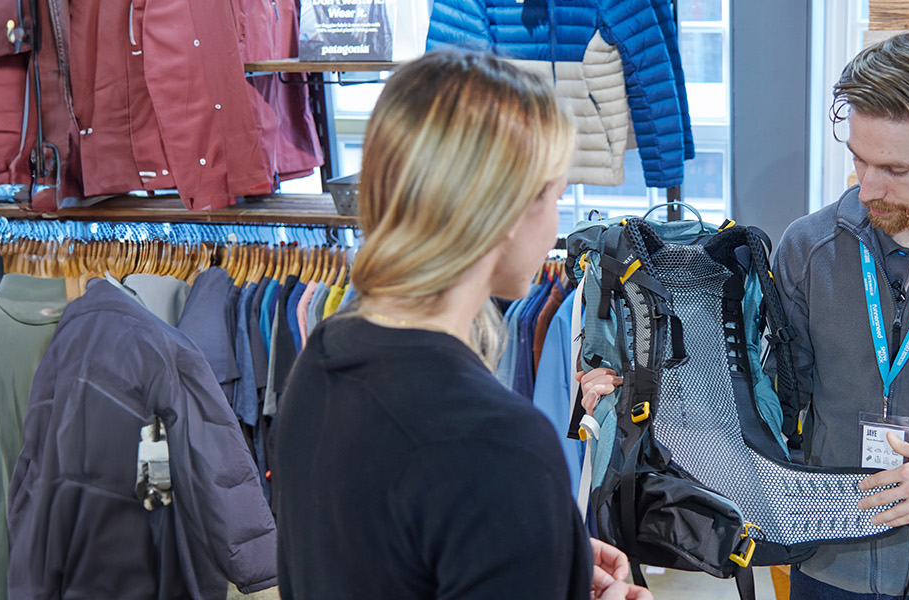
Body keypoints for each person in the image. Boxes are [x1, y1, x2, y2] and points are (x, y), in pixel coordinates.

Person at [580, 22, 909, 598]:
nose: (867, 188)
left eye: (895, 170)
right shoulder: (808, 248)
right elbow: (759, 400)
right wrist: (634, 396)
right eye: (858, 159)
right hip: (825, 564)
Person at [272, 50, 652, 600]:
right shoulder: (500, 444)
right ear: (503, 212)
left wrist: (537, 550)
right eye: (554, 195)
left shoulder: (324, 354)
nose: (557, 220)